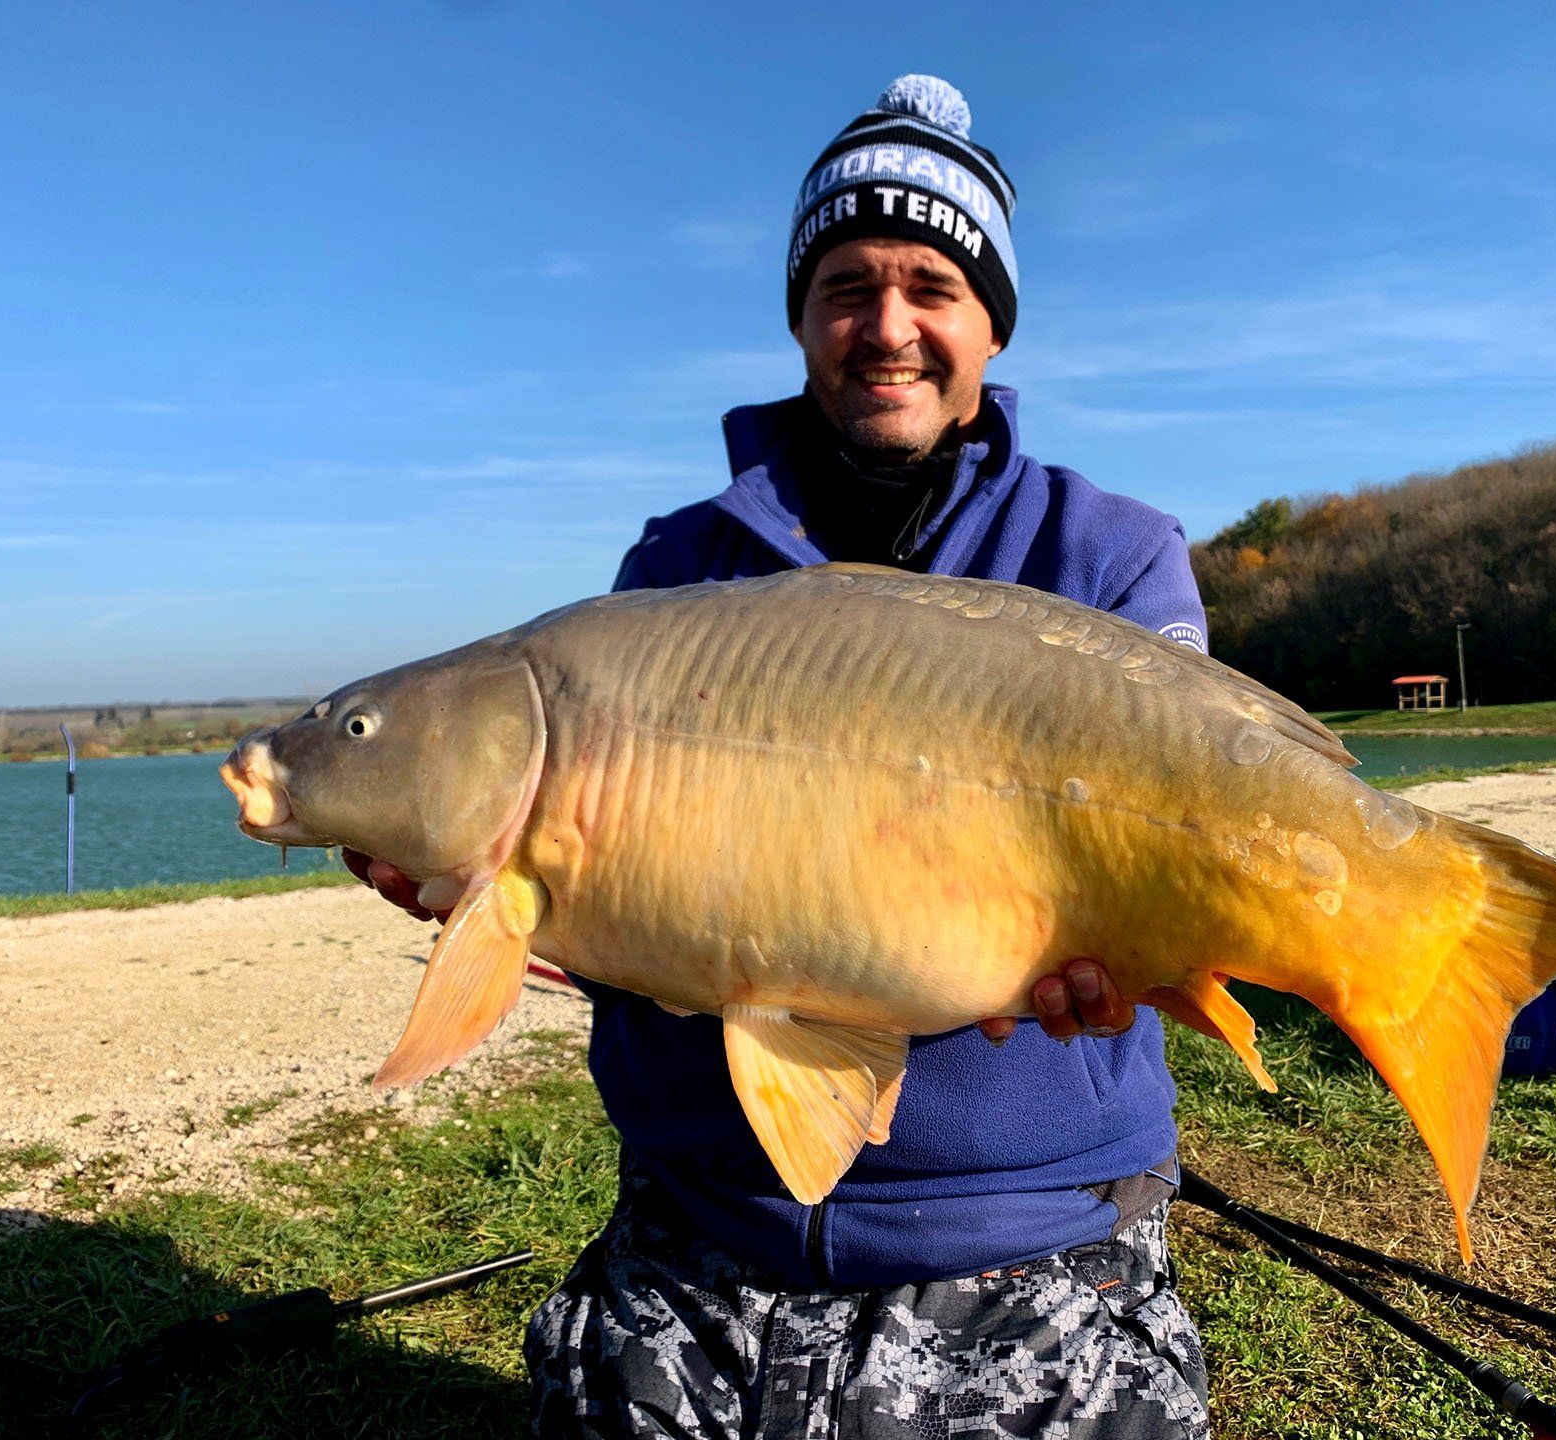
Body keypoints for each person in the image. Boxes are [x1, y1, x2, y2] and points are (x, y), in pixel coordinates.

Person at [351, 75, 1213, 1439]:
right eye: (846, 287)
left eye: (932, 285)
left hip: (1032, 1224)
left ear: (992, 322)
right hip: (714, 1212)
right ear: (802, 316)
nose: (887, 328)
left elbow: (1189, 829)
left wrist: (1144, 946)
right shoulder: (674, 567)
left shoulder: (1107, 556)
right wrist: (492, 893)